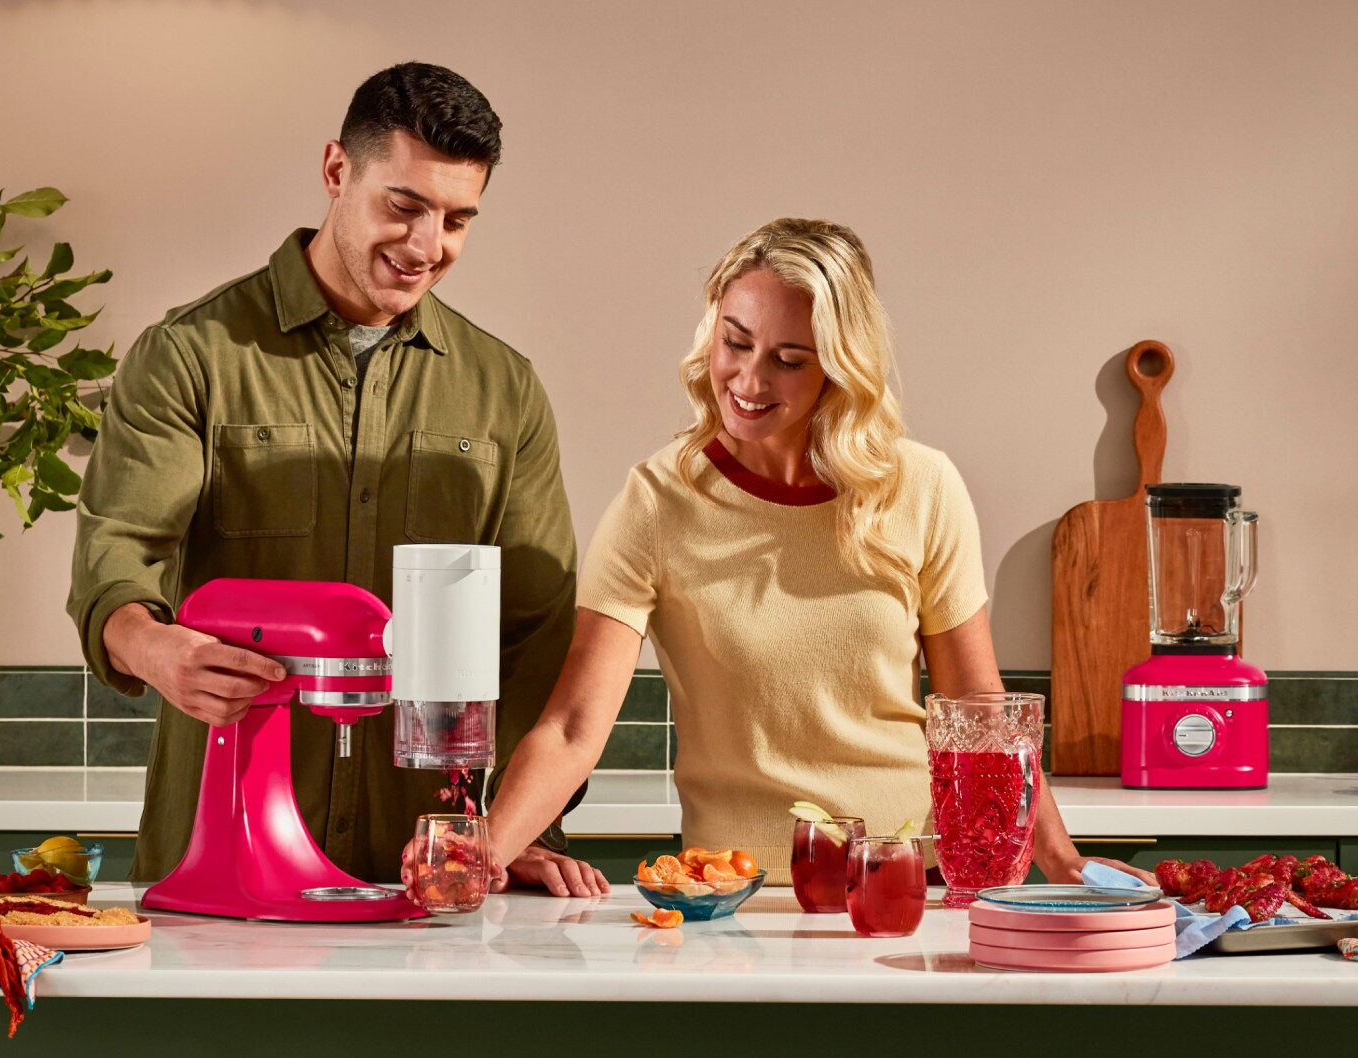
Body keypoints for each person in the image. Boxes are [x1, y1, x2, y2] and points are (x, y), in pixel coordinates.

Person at [481, 218, 1148, 891]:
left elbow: (977, 711)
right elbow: (572, 730)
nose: (748, 377)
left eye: (789, 359)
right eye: (735, 342)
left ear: (838, 364)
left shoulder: (922, 487)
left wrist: (1063, 860)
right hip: (734, 894)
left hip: (911, 882)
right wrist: (476, 862)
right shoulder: (657, 501)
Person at [68, 62, 599, 892]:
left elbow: (535, 633)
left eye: (458, 219)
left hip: (427, 861)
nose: (428, 246)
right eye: (404, 206)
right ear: (335, 171)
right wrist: (155, 647)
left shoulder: (505, 390)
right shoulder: (191, 357)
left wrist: (518, 827)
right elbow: (115, 558)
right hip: (224, 843)